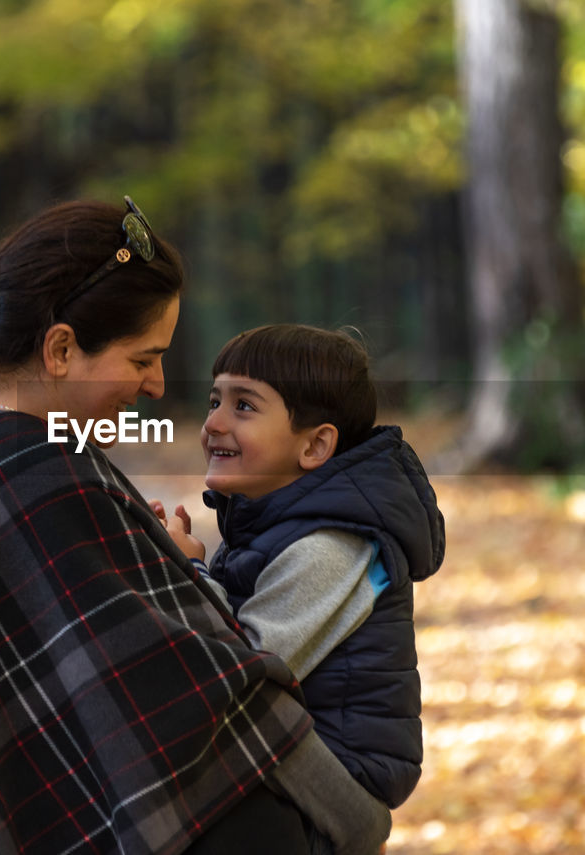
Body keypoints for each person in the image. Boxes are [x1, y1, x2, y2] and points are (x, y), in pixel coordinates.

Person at [0, 199, 391, 855]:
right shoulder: (41, 477)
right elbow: (198, 691)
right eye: (143, 359)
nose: (157, 385)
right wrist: (355, 817)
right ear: (60, 348)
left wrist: (166, 575)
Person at [151, 324, 445, 812]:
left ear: (314, 447)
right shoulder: (267, 525)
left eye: (243, 406)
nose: (214, 424)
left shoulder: (331, 546)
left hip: (334, 781)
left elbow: (245, 667)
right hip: (287, 760)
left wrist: (191, 575)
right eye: (213, 401)